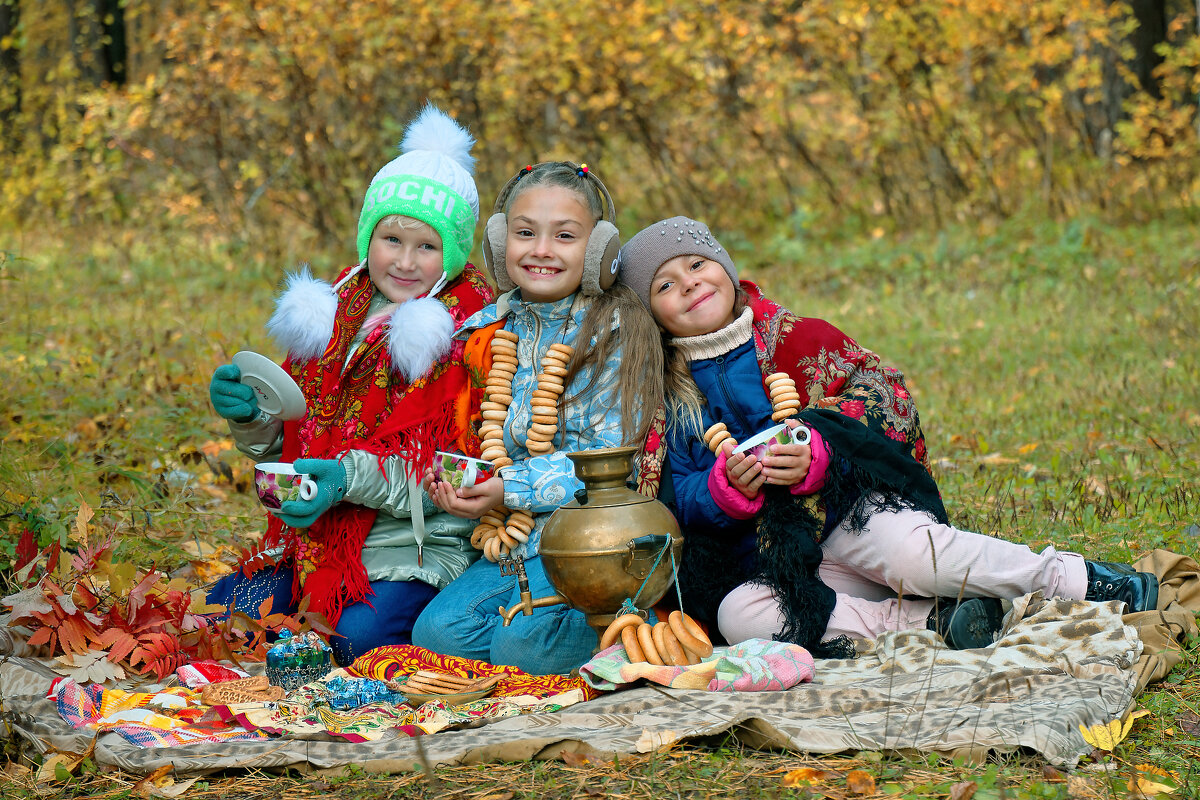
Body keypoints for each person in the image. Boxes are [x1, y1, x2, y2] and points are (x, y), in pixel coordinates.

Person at [618, 216, 1159, 656]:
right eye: (665, 284)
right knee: (741, 617)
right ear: (653, 315)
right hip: (773, 560)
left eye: (697, 264)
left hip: (851, 515)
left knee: (914, 556)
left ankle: (1072, 578)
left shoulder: (798, 338)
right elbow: (668, 496)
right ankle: (933, 621)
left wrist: (818, 452)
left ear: (726, 268)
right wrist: (724, 491)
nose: (689, 282)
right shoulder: (667, 400)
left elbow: (886, 398)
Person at [205, 105, 495, 666]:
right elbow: (289, 440)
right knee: (227, 621)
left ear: (453, 252)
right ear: (369, 236)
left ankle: (394, 620)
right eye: (391, 239)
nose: (405, 262)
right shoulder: (339, 309)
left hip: (409, 544)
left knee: (351, 648)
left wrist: (346, 477)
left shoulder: (468, 329)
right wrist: (250, 417)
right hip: (314, 537)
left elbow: (445, 471)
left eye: (427, 246)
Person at [410, 161, 661, 675]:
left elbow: (608, 468)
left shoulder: (616, 331)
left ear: (598, 253)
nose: (541, 250)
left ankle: (634, 616)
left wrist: (511, 489)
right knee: (434, 636)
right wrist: (460, 485)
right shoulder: (485, 330)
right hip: (512, 540)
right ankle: (540, 628)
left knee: (523, 651)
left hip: (594, 539)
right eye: (525, 233)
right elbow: (468, 430)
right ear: (501, 243)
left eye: (564, 236)